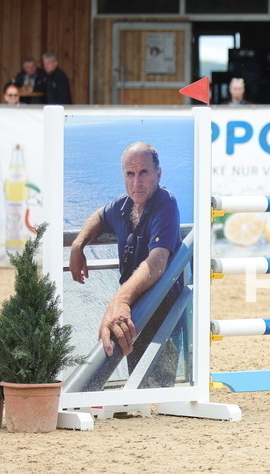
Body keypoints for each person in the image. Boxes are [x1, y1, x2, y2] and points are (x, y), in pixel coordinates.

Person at [68, 142, 183, 388]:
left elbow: (157, 261)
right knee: (134, 374)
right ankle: (106, 398)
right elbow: (99, 215)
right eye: (130, 174)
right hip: (135, 304)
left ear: (158, 174)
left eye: (144, 172)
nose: (136, 181)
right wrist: (78, 245)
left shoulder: (166, 202)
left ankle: (102, 396)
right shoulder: (123, 205)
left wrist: (119, 301)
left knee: (158, 388)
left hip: (165, 308)